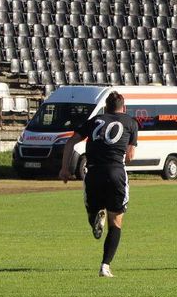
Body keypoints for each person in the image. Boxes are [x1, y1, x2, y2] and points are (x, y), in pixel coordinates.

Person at [58, 90, 139, 277]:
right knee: (116, 222)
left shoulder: (95, 120)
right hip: (116, 172)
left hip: (93, 171)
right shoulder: (131, 122)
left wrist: (65, 169)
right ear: (123, 108)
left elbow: (70, 142)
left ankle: (95, 215)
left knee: (93, 209)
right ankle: (105, 266)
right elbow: (130, 156)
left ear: (106, 108)